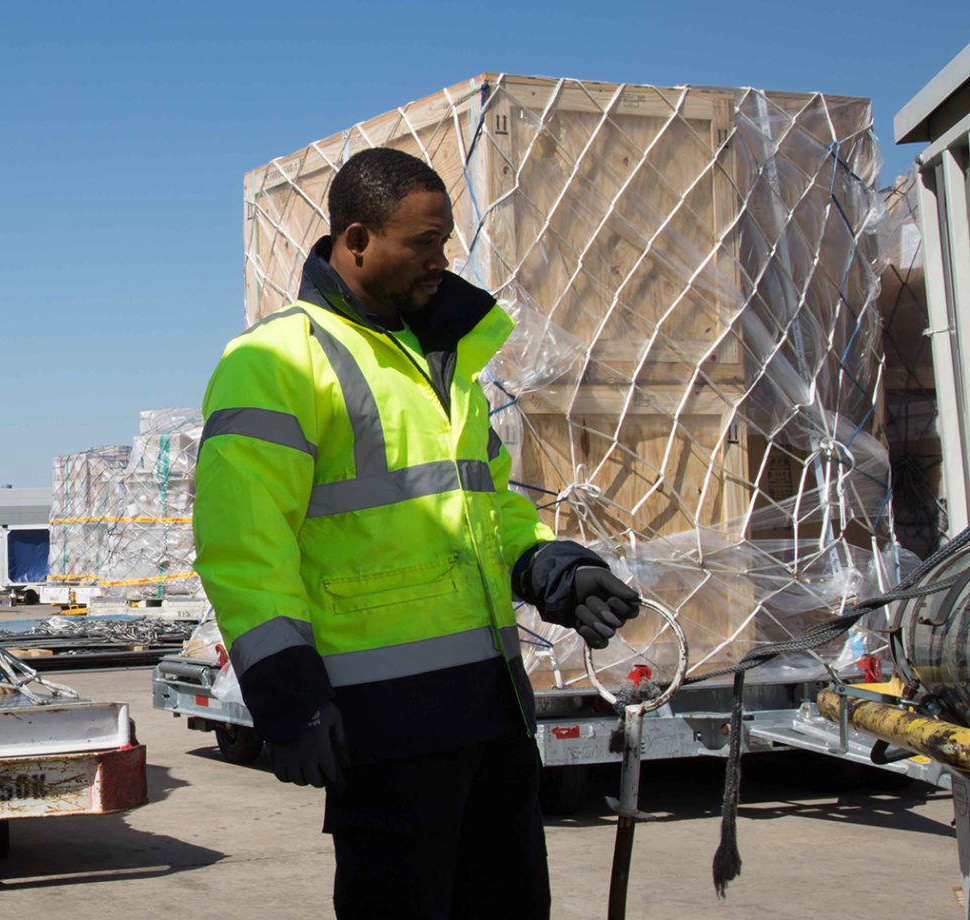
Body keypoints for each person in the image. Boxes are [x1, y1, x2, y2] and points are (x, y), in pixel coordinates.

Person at [192, 146, 642, 919]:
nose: (442, 260)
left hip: (490, 711)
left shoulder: (439, 364)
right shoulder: (276, 360)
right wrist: (288, 695)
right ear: (357, 239)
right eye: (424, 242)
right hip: (383, 722)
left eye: (446, 240)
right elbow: (243, 546)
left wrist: (554, 572)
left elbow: (484, 508)